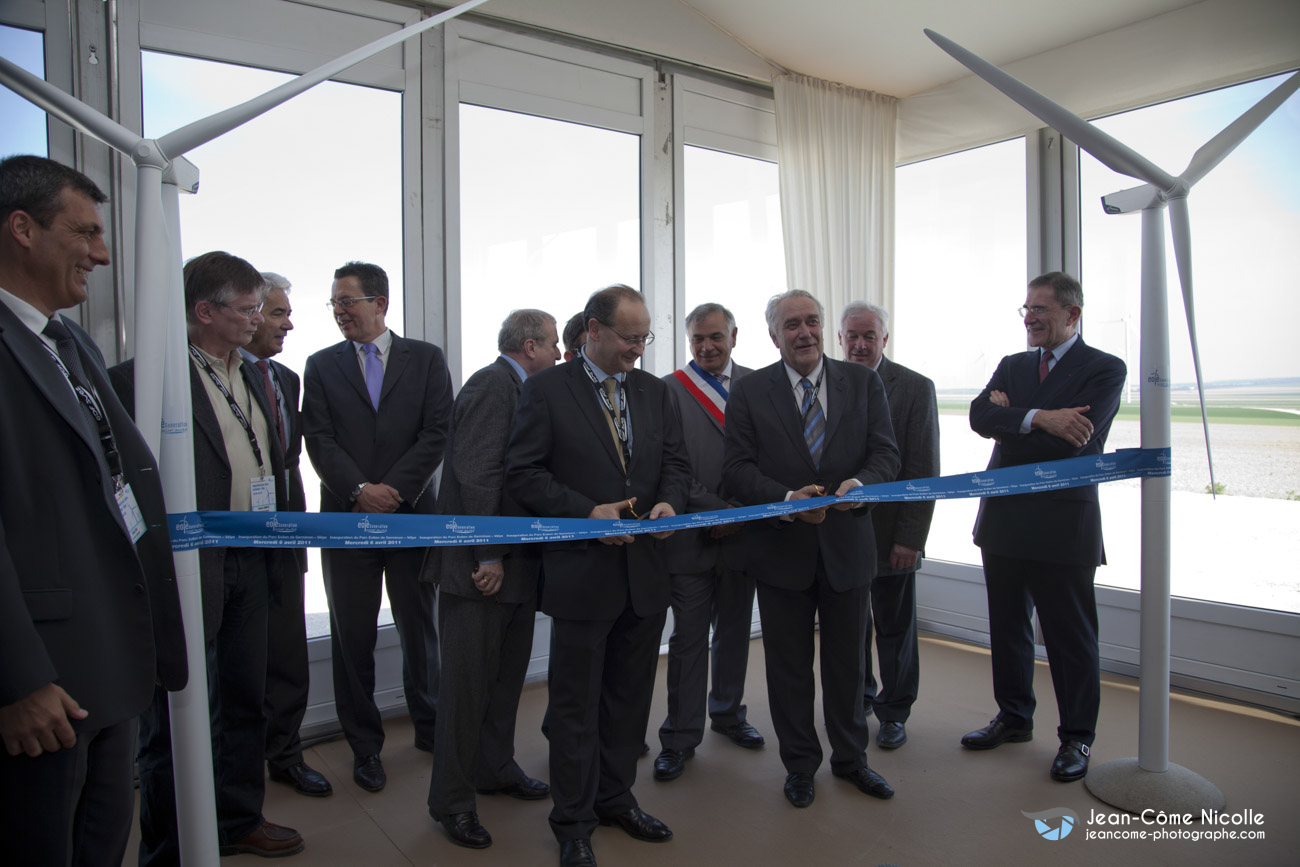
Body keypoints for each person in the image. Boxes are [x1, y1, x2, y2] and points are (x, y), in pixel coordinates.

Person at [0, 154, 187, 866]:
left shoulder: (66, 339)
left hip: (108, 663)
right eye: (85, 233)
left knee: (102, 841)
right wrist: (16, 680)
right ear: (22, 228)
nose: (103, 254)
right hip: (42, 682)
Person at [112, 250, 305, 859]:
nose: (258, 320)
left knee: (247, 695)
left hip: (252, 558)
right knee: (177, 714)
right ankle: (168, 847)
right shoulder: (144, 379)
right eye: (247, 310)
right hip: (186, 566)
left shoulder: (251, 374)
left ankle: (238, 819)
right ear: (204, 311)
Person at [505, 285, 691, 867]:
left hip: (644, 575)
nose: (639, 348)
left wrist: (670, 505)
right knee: (575, 707)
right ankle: (573, 821)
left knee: (630, 701)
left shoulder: (655, 392)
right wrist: (585, 514)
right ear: (593, 330)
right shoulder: (546, 391)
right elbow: (523, 474)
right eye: (629, 337)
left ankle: (616, 799)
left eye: (645, 337)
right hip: (583, 575)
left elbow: (678, 466)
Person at [722, 289, 900, 809]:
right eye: (792, 324)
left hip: (849, 548)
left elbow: (886, 454)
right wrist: (784, 500)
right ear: (774, 335)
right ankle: (800, 765)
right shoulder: (751, 391)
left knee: (848, 667)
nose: (805, 332)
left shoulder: (863, 382)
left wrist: (860, 485)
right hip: (781, 552)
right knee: (789, 669)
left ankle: (852, 761)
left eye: (812, 322)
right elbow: (735, 470)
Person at [962, 271, 1125, 783]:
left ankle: (1077, 737)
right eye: (1026, 309)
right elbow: (977, 416)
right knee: (1007, 628)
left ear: (1073, 314)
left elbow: (1074, 440)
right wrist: (1042, 418)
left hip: (1063, 523)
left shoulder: (1105, 368)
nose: (1030, 317)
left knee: (1069, 637)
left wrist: (1016, 420)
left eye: (1041, 309)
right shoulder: (1012, 364)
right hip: (1005, 520)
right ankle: (1013, 718)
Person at [302, 261, 452, 793]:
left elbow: (437, 431)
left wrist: (394, 490)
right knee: (352, 637)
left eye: (349, 301)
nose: (341, 311)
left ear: (380, 303)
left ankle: (432, 729)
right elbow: (318, 440)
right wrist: (359, 491)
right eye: (335, 303)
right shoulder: (320, 366)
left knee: (421, 628)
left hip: (411, 518)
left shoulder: (427, 359)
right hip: (346, 523)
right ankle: (365, 747)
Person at [425, 309, 559, 849]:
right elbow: (476, 474)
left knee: (505, 682)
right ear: (528, 346)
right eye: (551, 343)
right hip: (479, 568)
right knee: (466, 690)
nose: (557, 352)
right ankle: (451, 802)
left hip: (515, 565)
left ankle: (494, 769)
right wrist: (488, 554)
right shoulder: (492, 386)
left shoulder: (521, 386)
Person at [653, 302, 764, 783]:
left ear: (734, 337)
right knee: (689, 639)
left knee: (736, 631)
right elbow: (665, 466)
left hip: (746, 532)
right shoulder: (667, 391)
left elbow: (770, 457)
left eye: (715, 337)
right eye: (697, 339)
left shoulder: (761, 386)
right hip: (692, 535)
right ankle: (679, 736)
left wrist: (741, 513)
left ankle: (728, 713)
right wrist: (714, 511)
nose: (707, 347)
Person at [238, 272, 331, 797]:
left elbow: (288, 462)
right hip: (235, 541)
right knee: (241, 659)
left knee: (289, 651)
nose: (288, 324)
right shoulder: (207, 376)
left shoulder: (286, 380)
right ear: (248, 315)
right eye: (277, 313)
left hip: (285, 533)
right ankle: (238, 766)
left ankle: (286, 753)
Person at [838, 301, 938, 751]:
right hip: (841, 533)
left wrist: (910, 539)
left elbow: (923, 468)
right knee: (851, 626)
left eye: (868, 336)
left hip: (892, 536)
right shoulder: (827, 384)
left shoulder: (916, 388)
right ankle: (858, 698)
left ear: (884, 339)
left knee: (895, 628)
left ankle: (895, 711)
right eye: (852, 336)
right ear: (840, 339)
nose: (859, 345)